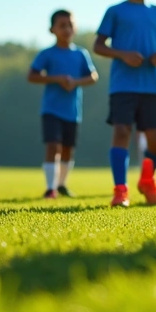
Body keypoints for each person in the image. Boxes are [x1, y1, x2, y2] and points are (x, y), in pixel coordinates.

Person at [95, 0, 156, 208]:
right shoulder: (115, 11)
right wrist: (123, 54)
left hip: (153, 86)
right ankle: (121, 190)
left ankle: (147, 179)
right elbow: (99, 45)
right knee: (121, 132)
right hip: (123, 85)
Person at [28, 10, 98, 198]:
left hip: (73, 111)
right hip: (51, 109)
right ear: (52, 29)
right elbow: (32, 75)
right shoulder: (47, 54)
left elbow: (92, 77)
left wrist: (75, 82)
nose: (67, 29)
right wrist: (56, 79)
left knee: (68, 149)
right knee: (53, 146)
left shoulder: (81, 54)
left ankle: (62, 185)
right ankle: (50, 187)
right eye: (62, 25)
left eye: (70, 25)